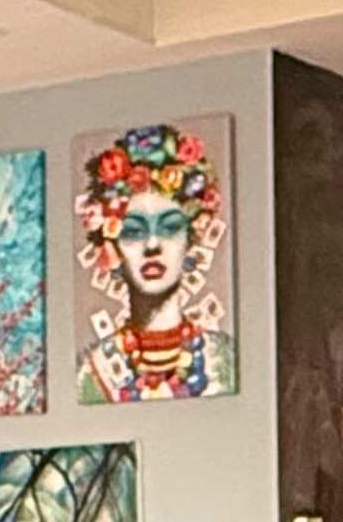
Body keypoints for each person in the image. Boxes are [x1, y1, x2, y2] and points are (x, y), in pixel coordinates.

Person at [75, 121, 230, 401]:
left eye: (169, 228)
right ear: (112, 245)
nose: (152, 246)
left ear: (191, 238)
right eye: (134, 231)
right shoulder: (90, 374)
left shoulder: (224, 360)